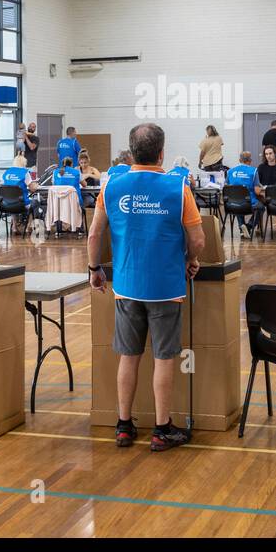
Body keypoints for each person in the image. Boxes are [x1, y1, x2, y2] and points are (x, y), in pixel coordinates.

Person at [88, 122, 204, 452]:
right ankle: (161, 429)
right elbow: (198, 239)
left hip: (126, 285)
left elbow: (95, 234)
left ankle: (123, 426)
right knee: (164, 358)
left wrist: (95, 269)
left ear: (131, 151)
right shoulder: (177, 187)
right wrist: (190, 259)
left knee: (129, 356)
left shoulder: (111, 186)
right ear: (162, 153)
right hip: (166, 287)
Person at [226, 151, 263, 239]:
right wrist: (261, 187)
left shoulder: (230, 171)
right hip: (249, 202)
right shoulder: (253, 171)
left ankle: (241, 228)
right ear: (250, 161)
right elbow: (257, 192)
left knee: (238, 201)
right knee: (261, 208)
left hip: (232, 204)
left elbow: (226, 187)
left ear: (239, 160)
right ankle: (249, 226)